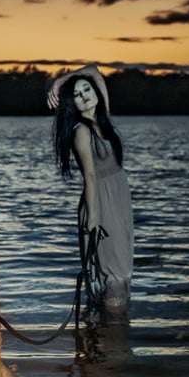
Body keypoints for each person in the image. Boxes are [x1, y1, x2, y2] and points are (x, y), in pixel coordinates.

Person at [47, 64, 134, 321]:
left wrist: (61, 81)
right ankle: (114, 343)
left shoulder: (104, 118)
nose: (84, 95)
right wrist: (94, 217)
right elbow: (90, 176)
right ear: (71, 104)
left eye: (87, 89)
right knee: (111, 275)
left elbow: (94, 69)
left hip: (119, 198)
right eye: (77, 94)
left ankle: (109, 339)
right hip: (101, 201)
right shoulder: (81, 131)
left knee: (121, 271)